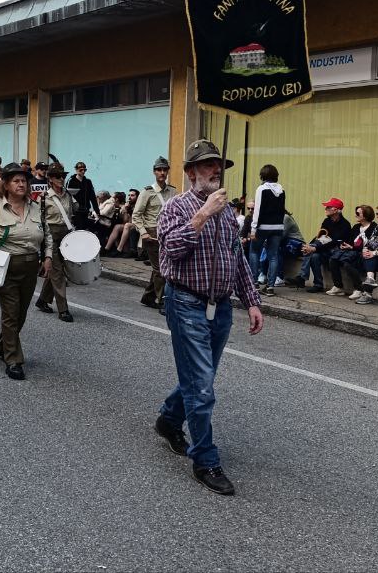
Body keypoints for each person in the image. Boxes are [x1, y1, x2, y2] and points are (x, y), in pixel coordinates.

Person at [153, 139, 264, 496]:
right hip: (186, 302)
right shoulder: (176, 207)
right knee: (201, 384)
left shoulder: (229, 212)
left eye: (219, 166)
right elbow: (170, 250)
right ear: (189, 173)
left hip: (221, 305)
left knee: (201, 376)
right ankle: (205, 459)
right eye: (207, 166)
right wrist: (202, 215)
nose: (216, 171)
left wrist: (252, 300)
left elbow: (237, 259)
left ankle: (170, 419)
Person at [0, 163, 53, 380]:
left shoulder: (36, 208)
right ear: (5, 185)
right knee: (11, 311)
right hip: (4, 267)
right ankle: (13, 359)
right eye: (16, 180)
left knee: (21, 313)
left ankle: (3, 346)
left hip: (30, 266)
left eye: (24, 180)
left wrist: (48, 256)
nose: (21, 184)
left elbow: (48, 235)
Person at [134, 157, 179, 313]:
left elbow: (176, 212)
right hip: (152, 234)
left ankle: (148, 296)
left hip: (168, 232)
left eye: (165, 170)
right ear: (154, 172)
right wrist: (143, 233)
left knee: (160, 268)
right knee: (160, 269)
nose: (162, 172)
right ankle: (163, 301)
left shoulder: (173, 191)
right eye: (159, 170)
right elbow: (136, 215)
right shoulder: (147, 192)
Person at [34, 163, 76, 322]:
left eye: (63, 176)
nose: (61, 179)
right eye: (58, 176)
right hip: (50, 235)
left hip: (66, 235)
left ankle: (42, 300)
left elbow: (72, 213)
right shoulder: (44, 197)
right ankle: (63, 310)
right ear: (50, 179)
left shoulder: (68, 195)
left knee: (59, 271)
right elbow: (39, 219)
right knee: (58, 272)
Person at [244, 164, 286, 296]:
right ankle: (270, 287)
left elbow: (257, 210)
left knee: (254, 251)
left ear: (263, 175)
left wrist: (253, 228)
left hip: (262, 226)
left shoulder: (261, 189)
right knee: (273, 256)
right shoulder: (282, 190)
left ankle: (254, 283)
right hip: (278, 226)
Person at [300, 198, 354, 294]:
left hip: (336, 252)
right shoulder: (327, 221)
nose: (326, 209)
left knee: (315, 253)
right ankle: (318, 284)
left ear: (336, 210)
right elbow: (321, 236)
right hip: (325, 249)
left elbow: (334, 242)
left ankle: (301, 277)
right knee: (314, 256)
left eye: (329, 207)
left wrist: (315, 248)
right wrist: (310, 246)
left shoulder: (345, 225)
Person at [326, 204, 376, 296]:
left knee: (347, 264)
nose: (355, 215)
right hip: (352, 252)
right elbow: (350, 241)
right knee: (333, 259)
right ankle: (338, 286)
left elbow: (371, 245)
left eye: (358, 213)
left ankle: (359, 289)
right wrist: (344, 245)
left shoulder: (374, 228)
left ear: (365, 215)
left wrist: (352, 247)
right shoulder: (356, 227)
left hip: (363, 254)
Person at [69, 161, 101, 231]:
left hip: (85, 209)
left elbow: (92, 197)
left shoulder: (88, 182)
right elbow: (69, 196)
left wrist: (97, 211)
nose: (83, 172)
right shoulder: (71, 181)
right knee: (78, 228)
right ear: (76, 170)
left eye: (84, 170)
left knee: (85, 228)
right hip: (76, 211)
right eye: (81, 170)